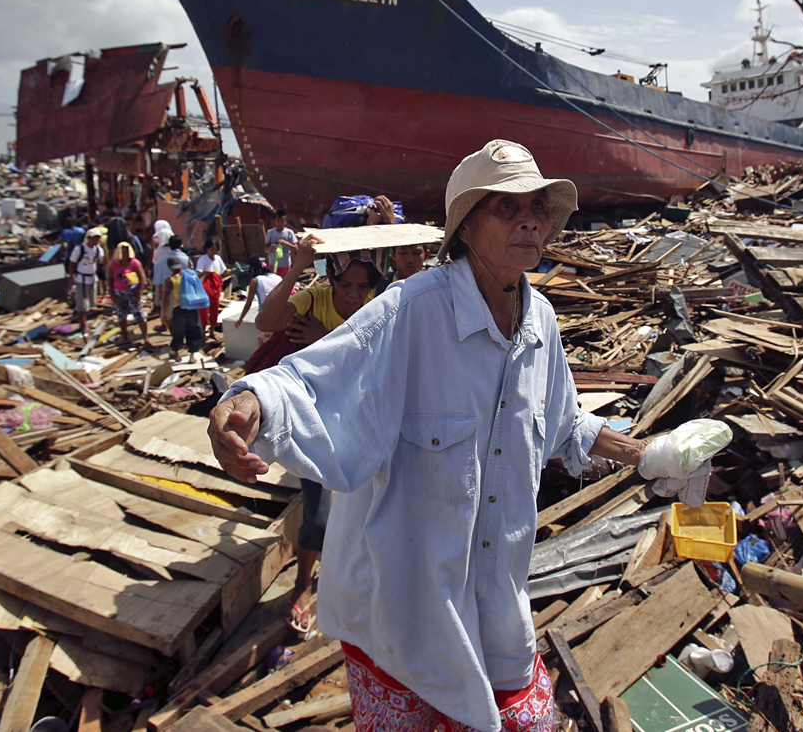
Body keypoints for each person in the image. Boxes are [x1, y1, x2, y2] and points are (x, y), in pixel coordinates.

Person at [208, 140, 686, 732]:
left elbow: (564, 424)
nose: (530, 219)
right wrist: (249, 401)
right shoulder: (409, 312)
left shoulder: (541, 324)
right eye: (507, 208)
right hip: (400, 610)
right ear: (465, 226)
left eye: (538, 206)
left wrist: (644, 453)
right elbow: (313, 379)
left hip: (495, 605)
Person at [251, 234, 381, 635]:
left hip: (363, 422)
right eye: (345, 286)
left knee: (368, 514)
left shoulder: (379, 306)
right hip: (318, 426)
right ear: (331, 281)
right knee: (319, 517)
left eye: (363, 287)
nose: (354, 295)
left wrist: (321, 341)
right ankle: (303, 586)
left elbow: (382, 358)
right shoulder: (313, 299)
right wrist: (296, 268)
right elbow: (264, 322)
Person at [161, 255, 206, 359]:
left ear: (170, 267)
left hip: (179, 308)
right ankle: (192, 356)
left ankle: (176, 354)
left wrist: (164, 313)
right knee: (193, 331)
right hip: (192, 307)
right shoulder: (190, 275)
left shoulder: (170, 280)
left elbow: (166, 298)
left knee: (178, 331)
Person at [107, 241, 149, 343]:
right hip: (119, 293)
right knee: (121, 315)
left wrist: (139, 292)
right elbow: (110, 279)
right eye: (122, 251)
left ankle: (145, 338)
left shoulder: (134, 262)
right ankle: (125, 336)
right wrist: (112, 294)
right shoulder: (113, 264)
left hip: (132, 292)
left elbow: (142, 277)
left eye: (126, 251)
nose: (124, 253)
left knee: (139, 315)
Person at [67, 229, 105, 336]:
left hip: (92, 278)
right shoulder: (80, 249)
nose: (96, 240)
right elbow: (72, 263)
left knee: (90, 303)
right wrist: (71, 279)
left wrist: (104, 248)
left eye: (97, 238)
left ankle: (85, 322)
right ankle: (84, 325)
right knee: (82, 303)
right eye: (93, 238)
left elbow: (103, 262)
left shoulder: (98, 250)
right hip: (81, 279)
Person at [234, 257, 284, 336]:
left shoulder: (255, 281)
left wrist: (240, 319)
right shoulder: (278, 277)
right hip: (282, 315)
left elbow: (248, 303)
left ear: (252, 269)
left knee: (265, 345)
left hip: (266, 317)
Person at [153, 234, 190, 331]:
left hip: (168, 290)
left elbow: (158, 280)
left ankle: (166, 326)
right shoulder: (186, 259)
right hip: (183, 289)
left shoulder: (161, 261)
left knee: (168, 313)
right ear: (180, 245)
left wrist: (160, 293)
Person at [196, 238, 229, 341]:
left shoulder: (218, 259)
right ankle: (202, 333)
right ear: (206, 249)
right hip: (205, 289)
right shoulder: (202, 260)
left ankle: (212, 331)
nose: (214, 252)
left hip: (215, 288)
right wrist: (204, 273)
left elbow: (223, 271)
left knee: (214, 310)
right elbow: (197, 274)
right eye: (212, 249)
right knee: (204, 312)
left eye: (215, 249)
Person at [266, 210, 299, 277]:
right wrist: (271, 248)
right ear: (275, 221)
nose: (280, 223)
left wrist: (286, 243)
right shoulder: (270, 233)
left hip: (285, 265)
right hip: (273, 265)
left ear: (285, 221)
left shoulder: (289, 232)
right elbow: (265, 250)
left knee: (285, 284)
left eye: (282, 221)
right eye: (278, 221)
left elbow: (296, 248)